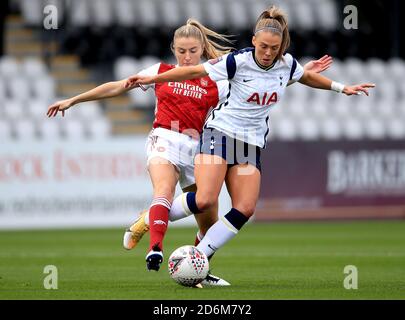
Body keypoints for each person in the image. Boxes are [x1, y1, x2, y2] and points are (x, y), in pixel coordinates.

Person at [47, 18, 332, 285]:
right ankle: (155, 247)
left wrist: (302, 73)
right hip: (165, 139)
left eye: (192, 51)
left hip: (199, 147)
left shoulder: (217, 78)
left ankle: (198, 268)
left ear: (201, 50)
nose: (186, 56)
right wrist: (74, 100)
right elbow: (117, 87)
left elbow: (255, 87)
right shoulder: (160, 72)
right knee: (164, 191)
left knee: (208, 216)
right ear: (173, 49)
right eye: (181, 51)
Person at [126, 5, 375, 274]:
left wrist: (341, 88)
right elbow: (192, 72)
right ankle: (150, 219)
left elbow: (306, 76)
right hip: (220, 133)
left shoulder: (287, 64)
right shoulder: (236, 61)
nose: (269, 53)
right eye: (264, 46)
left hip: (249, 143)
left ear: (282, 46)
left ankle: (199, 259)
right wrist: (154, 77)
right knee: (205, 200)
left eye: (275, 48)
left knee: (245, 208)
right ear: (254, 40)